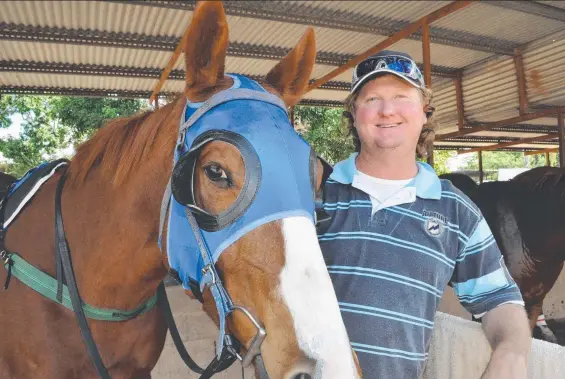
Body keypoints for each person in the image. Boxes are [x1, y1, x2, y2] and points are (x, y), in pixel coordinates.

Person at [317, 50, 531, 379]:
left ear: (423, 112)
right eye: (372, 98)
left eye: (401, 97)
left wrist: (511, 355)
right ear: (354, 113)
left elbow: (499, 298)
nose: (387, 110)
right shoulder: (316, 195)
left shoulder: (456, 211)